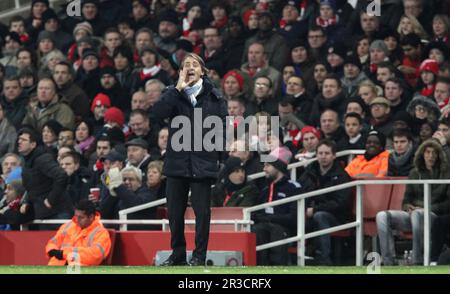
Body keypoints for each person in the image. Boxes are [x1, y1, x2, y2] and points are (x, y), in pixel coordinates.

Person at [152, 53, 227, 266]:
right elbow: (158, 114)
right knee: (175, 213)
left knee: (202, 214)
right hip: (177, 161)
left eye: (194, 64)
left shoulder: (215, 96)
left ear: (202, 71)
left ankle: (199, 256)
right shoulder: (172, 93)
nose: (190, 68)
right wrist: (177, 88)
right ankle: (178, 254)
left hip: (203, 162)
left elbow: (223, 129)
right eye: (186, 65)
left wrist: (218, 162)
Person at [376, 139, 450, 265]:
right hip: (413, 213)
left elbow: (448, 203)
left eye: (434, 153)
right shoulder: (414, 173)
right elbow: (406, 199)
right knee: (382, 216)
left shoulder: (447, 173)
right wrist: (407, 206)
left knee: (418, 214)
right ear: (422, 154)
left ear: (439, 155)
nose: (431, 156)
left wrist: (424, 208)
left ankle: (417, 260)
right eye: (427, 152)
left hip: (435, 215)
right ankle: (389, 262)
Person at [299, 139, 352, 265]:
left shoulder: (342, 176)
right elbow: (299, 190)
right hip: (310, 212)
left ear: (334, 155)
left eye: (327, 153)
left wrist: (315, 209)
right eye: (320, 153)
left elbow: (340, 203)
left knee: (320, 216)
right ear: (316, 155)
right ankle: (293, 257)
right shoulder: (310, 171)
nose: (323, 157)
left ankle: (323, 258)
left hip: (336, 217)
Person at [251, 147, 301, 265]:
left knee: (276, 230)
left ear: (278, 167)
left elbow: (294, 217)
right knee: (256, 230)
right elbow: (258, 213)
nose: (264, 169)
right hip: (265, 228)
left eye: (268, 165)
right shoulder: (265, 189)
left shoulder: (293, 188)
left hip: (285, 230)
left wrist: (269, 218)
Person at [18, 127, 71, 224]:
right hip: (44, 213)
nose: (19, 142)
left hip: (57, 212)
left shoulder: (42, 159)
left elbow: (61, 175)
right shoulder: (27, 161)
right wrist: (27, 202)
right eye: (19, 139)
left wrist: (51, 199)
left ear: (33, 144)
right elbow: (33, 188)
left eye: (24, 140)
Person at [45, 199, 111, 266]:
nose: (77, 219)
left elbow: (95, 256)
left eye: (81, 217)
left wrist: (64, 253)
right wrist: (51, 250)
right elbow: (53, 242)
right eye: (76, 216)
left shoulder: (101, 233)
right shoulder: (68, 226)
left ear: (91, 217)